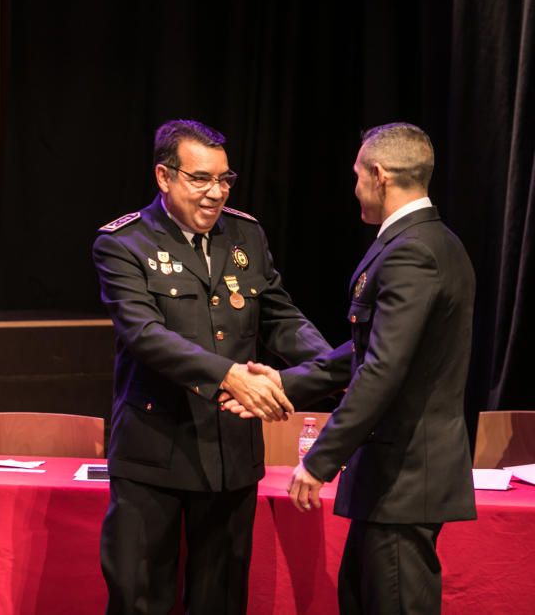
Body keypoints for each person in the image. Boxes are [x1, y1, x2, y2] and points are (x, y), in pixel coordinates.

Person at [92, 119, 333, 613]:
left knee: (220, 599)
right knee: (139, 598)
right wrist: (229, 375)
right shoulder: (123, 243)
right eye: (200, 179)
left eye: (224, 180)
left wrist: (332, 366)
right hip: (153, 452)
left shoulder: (245, 234)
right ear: (164, 177)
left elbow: (280, 316)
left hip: (228, 453)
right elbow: (144, 334)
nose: (215, 193)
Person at [246, 122, 476, 614]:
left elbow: (383, 369)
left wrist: (319, 460)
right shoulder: (432, 241)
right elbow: (369, 350)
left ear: (379, 175)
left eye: (356, 176)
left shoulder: (412, 251)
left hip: (405, 477)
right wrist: (284, 381)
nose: (354, 189)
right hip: (397, 480)